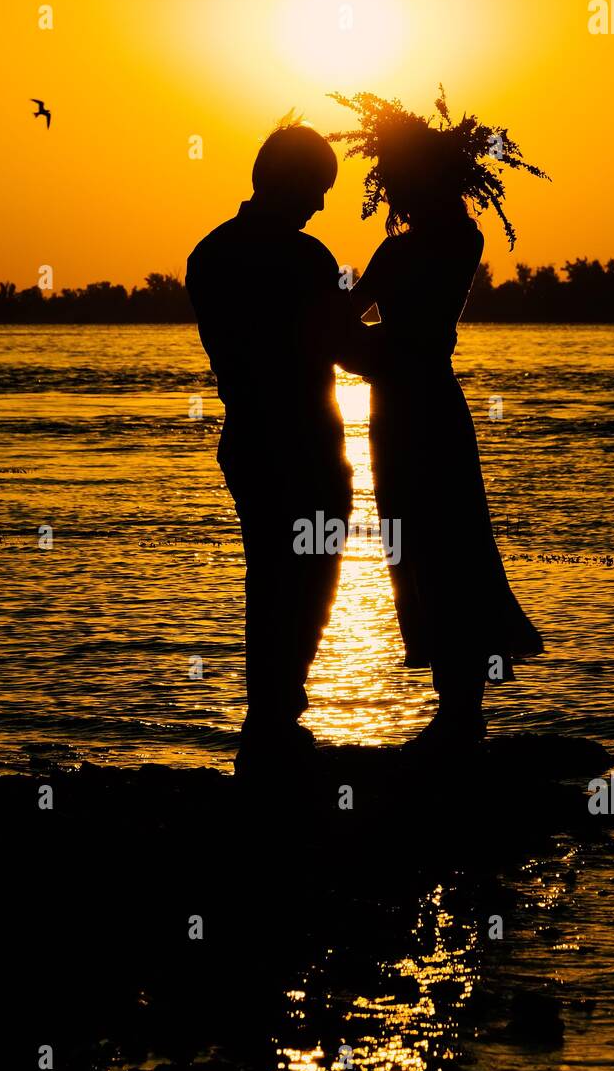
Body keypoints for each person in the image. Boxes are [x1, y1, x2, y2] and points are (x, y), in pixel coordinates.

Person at [329, 89, 547, 755]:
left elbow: (347, 322)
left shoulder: (417, 248)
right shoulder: (457, 239)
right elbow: (361, 323)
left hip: (409, 407)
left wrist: (352, 351)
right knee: (443, 550)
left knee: (435, 551)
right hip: (422, 406)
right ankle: (459, 713)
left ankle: (458, 716)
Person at [186, 119, 364, 772]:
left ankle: (271, 722)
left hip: (249, 439)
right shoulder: (306, 258)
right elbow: (349, 340)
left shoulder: (209, 254)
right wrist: (382, 305)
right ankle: (276, 720)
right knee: (309, 579)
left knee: (271, 580)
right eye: (317, 189)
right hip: (304, 442)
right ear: (291, 184)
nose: (320, 204)